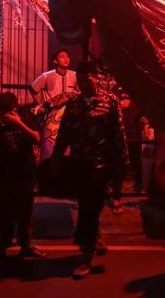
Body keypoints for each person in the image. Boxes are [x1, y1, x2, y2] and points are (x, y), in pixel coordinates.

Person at [52, 61, 128, 279]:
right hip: (79, 163)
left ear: (97, 79)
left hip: (100, 164)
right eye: (81, 80)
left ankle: (85, 256)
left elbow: (118, 134)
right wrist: (56, 157)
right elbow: (64, 132)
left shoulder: (109, 101)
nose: (85, 84)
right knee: (89, 205)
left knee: (88, 207)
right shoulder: (74, 103)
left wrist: (122, 164)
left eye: (89, 79)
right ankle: (95, 239)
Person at [0, 92, 45, 260]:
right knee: (3, 214)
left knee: (25, 214)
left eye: (1, 111)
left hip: (25, 174)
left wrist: (18, 123)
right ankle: (1, 249)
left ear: (11, 110)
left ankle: (25, 246)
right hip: (4, 176)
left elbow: (37, 138)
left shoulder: (25, 117)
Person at [31, 49, 79, 162]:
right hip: (52, 114)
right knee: (50, 141)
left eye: (68, 56)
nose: (66, 59)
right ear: (55, 61)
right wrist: (41, 104)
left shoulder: (75, 75)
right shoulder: (47, 76)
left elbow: (79, 91)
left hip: (69, 113)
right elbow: (33, 89)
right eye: (62, 57)